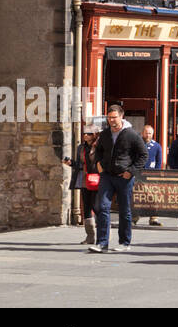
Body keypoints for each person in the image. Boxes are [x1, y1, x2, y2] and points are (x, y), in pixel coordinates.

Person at [89, 104, 146, 253]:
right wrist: (98, 164)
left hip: (124, 177)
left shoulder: (132, 134)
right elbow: (98, 151)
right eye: (109, 118)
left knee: (124, 210)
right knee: (103, 207)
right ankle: (102, 243)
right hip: (107, 176)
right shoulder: (105, 134)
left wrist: (131, 171)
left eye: (114, 117)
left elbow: (143, 155)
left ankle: (124, 242)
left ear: (121, 116)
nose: (112, 121)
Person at [63, 126, 100, 245]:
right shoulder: (81, 147)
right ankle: (90, 237)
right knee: (87, 207)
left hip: (97, 180)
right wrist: (70, 163)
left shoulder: (100, 146)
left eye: (89, 134)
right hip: (85, 180)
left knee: (98, 207)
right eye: (84, 133)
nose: (85, 136)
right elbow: (79, 164)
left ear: (94, 134)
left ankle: (102, 235)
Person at [139, 124, 163, 227]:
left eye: (149, 133)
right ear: (142, 133)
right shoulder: (137, 144)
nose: (148, 135)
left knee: (153, 197)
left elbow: (159, 161)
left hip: (152, 175)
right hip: (139, 175)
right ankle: (135, 217)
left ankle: (153, 218)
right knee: (138, 197)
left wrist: (156, 174)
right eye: (146, 133)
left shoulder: (157, 146)